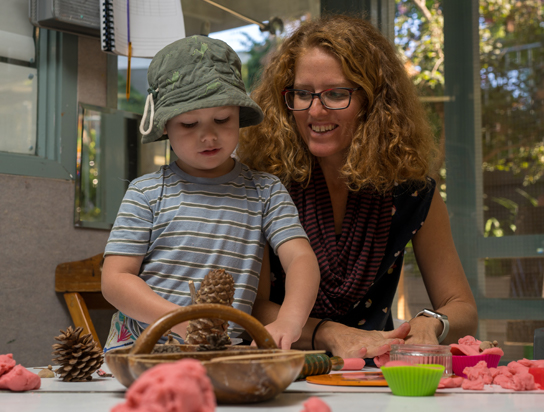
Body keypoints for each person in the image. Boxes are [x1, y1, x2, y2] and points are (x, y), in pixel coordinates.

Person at [236, 14, 478, 360]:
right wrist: (329, 333)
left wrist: (430, 323)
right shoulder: (261, 184)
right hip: (279, 370)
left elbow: (463, 307)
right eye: (303, 93)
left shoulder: (413, 193)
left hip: (371, 375)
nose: (315, 110)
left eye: (336, 94)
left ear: (374, 101)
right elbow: (252, 307)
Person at [101, 35, 320, 352]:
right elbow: (115, 279)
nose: (208, 136)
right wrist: (180, 319)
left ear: (238, 115)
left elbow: (300, 258)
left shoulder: (265, 191)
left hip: (219, 354)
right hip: (140, 350)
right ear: (165, 127)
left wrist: (290, 319)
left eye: (222, 119)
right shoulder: (146, 192)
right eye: (189, 124)